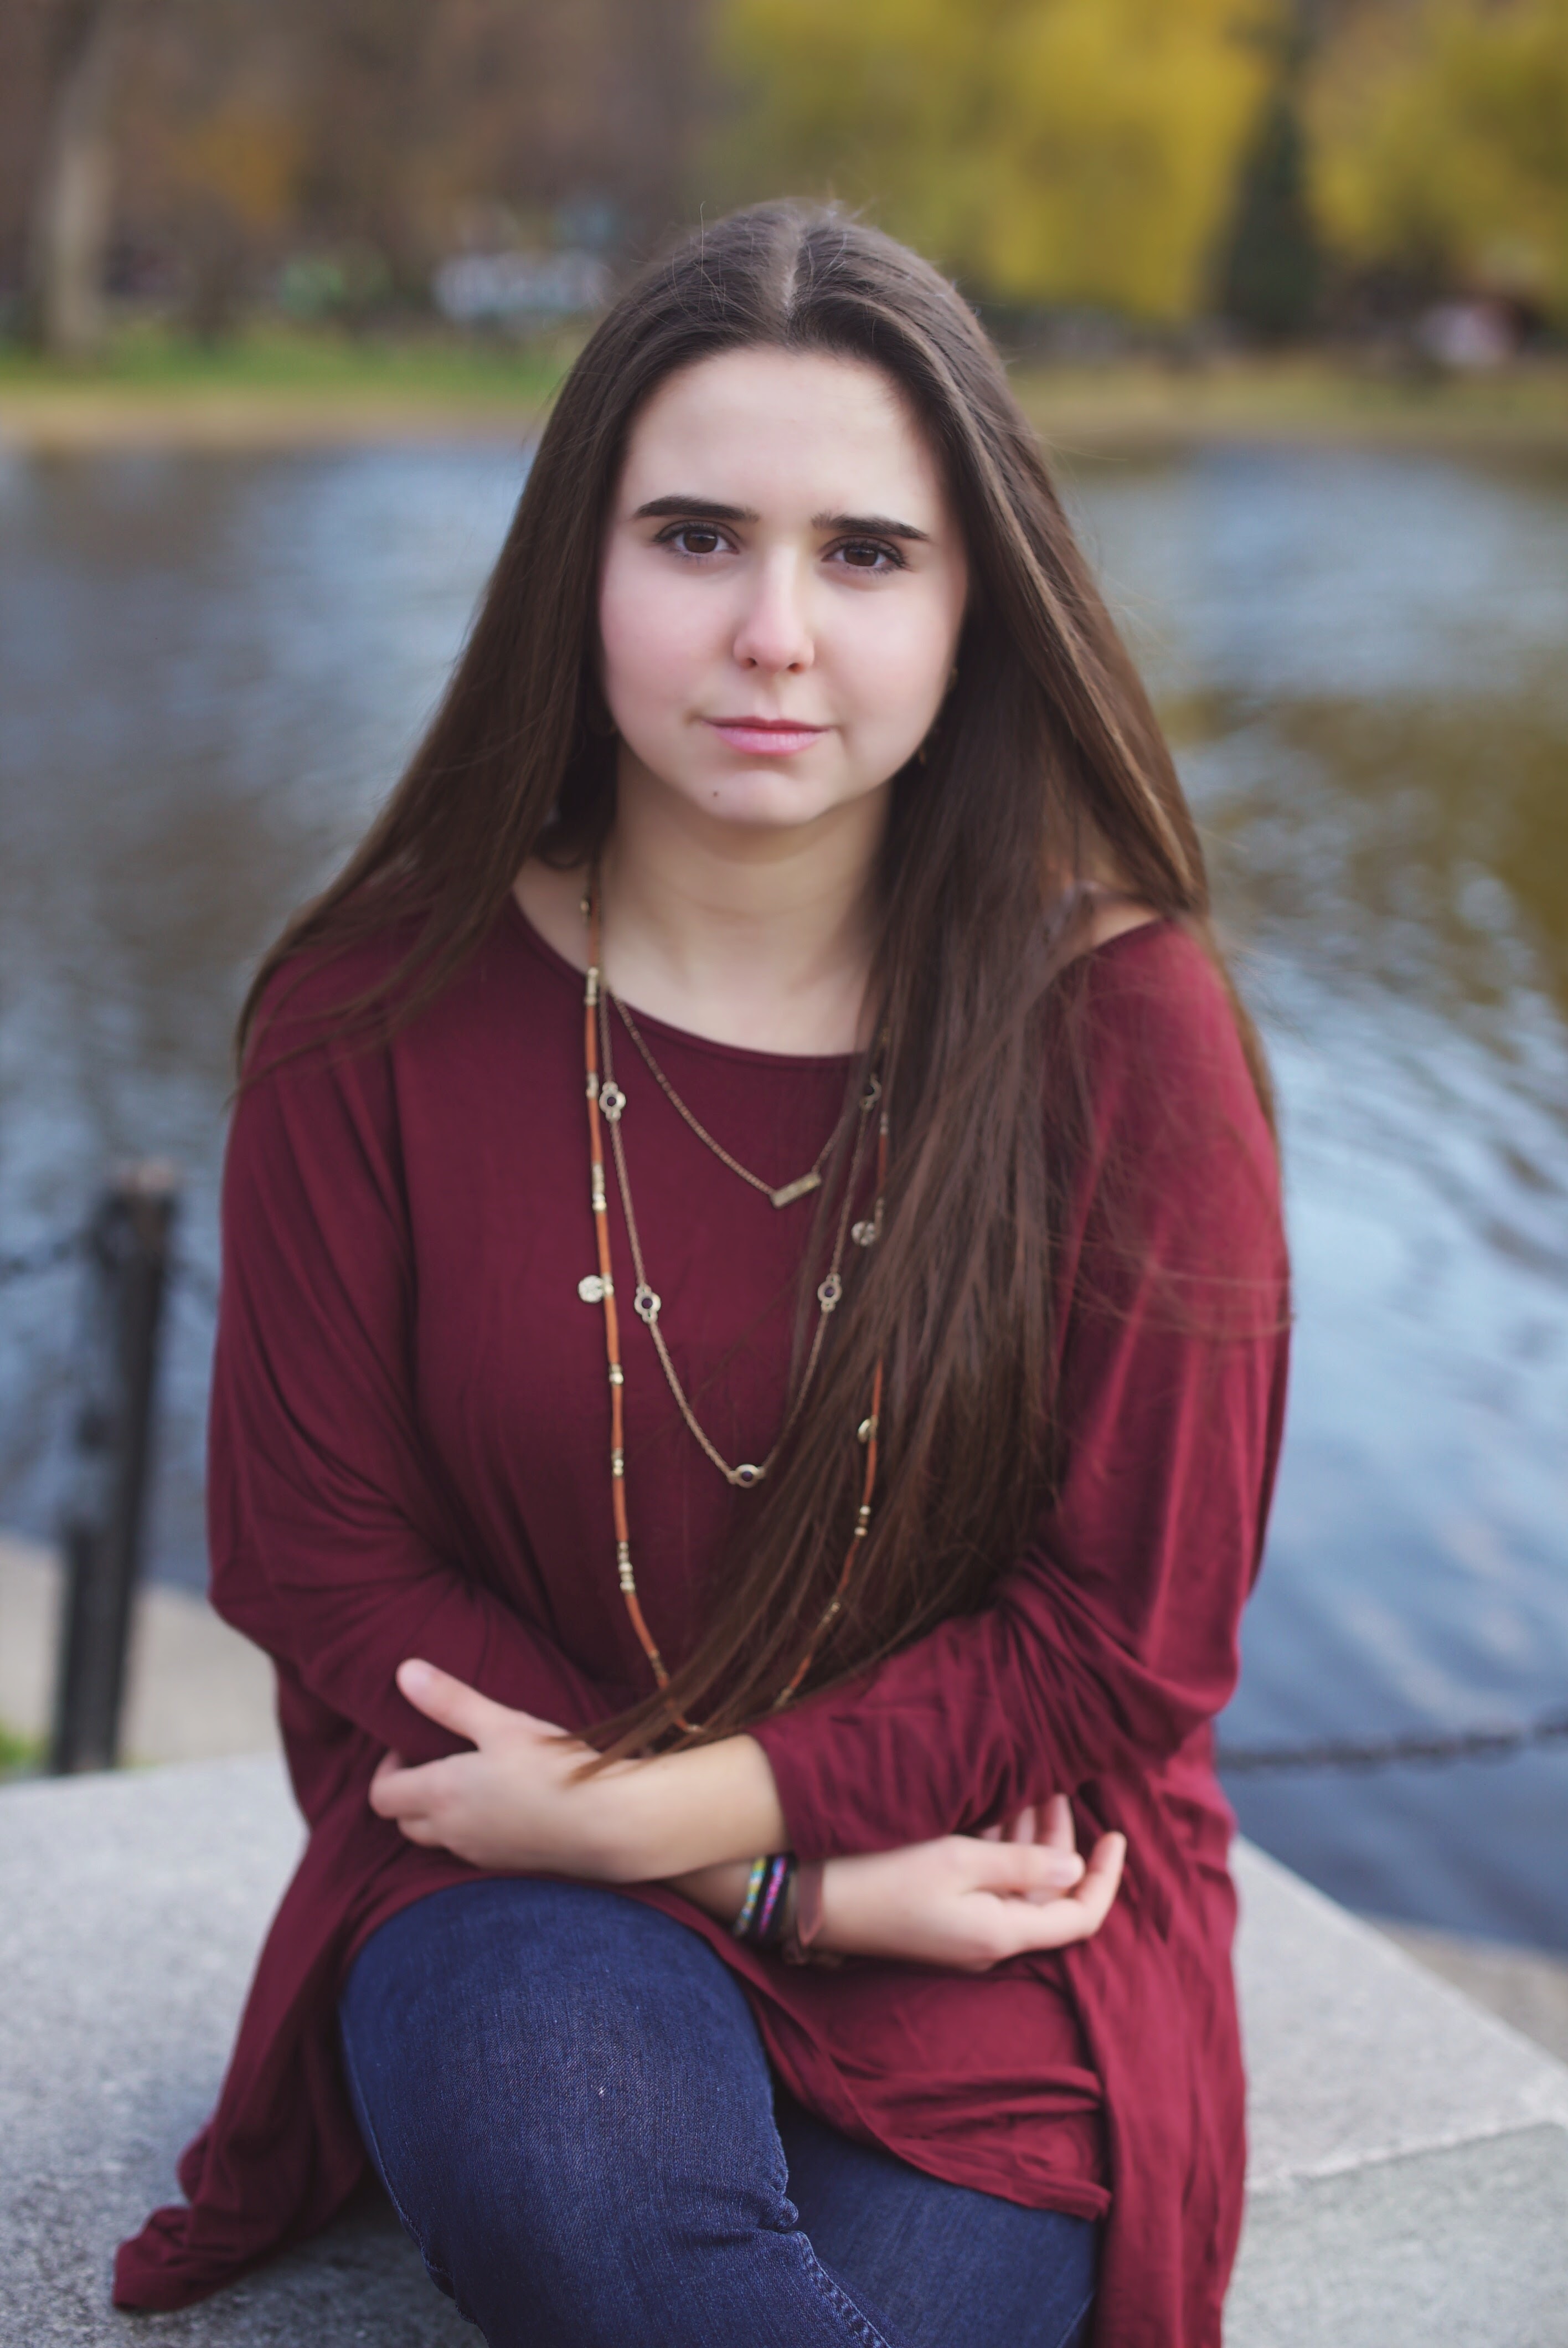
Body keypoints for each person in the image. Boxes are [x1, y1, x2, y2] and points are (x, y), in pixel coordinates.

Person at [115, 204, 1289, 2348]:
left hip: (989, 1901)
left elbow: (1125, 1638)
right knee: (581, 2186)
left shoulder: (1122, 1031)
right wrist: (750, 1870)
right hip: (512, 1880)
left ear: (977, 605)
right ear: (577, 566)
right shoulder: (369, 1012)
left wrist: (725, 1822)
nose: (774, 632)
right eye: (694, 538)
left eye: (867, 553)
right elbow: (321, 1558)